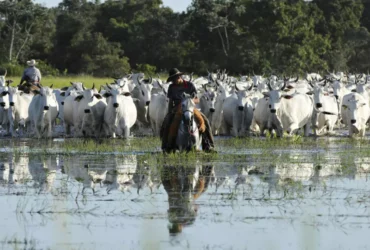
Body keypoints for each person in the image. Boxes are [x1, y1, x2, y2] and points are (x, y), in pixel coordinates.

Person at [160, 68, 215, 153]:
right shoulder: (171, 87)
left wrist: (192, 101)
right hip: (177, 108)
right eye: (172, 80)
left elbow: (197, 99)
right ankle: (166, 145)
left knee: (204, 120)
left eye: (175, 78)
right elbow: (171, 101)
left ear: (180, 77)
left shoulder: (190, 85)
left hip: (190, 107)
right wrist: (169, 112)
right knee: (167, 122)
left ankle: (208, 144)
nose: (174, 81)